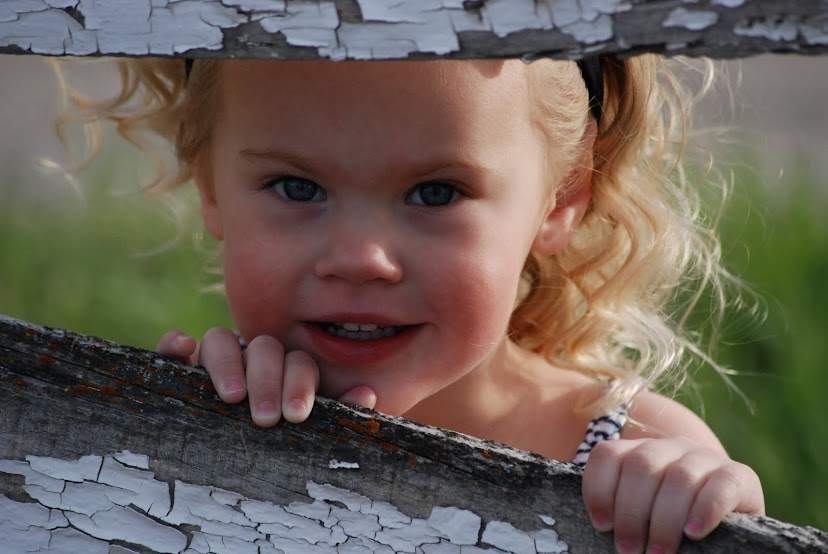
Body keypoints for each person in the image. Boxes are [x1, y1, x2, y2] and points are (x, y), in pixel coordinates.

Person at [56, 54, 764, 554]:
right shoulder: (219, 416)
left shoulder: (631, 453)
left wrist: (703, 513)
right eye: (296, 188)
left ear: (564, 195)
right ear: (208, 183)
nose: (361, 257)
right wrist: (173, 447)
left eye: (436, 193)